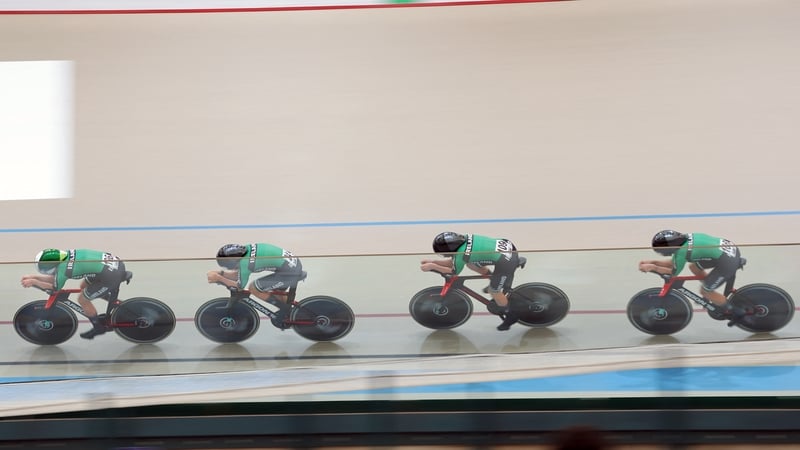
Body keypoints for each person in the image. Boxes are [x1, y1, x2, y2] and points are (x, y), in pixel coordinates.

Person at [639, 230, 746, 326]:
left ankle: (736, 312)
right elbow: (673, 263)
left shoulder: (682, 252)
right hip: (728, 251)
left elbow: (672, 272)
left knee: (705, 291)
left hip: (727, 262)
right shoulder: (683, 240)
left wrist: (653, 268)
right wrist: (652, 263)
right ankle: (711, 288)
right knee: (694, 267)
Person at [421, 232, 522, 331]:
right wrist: (433, 262)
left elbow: (453, 271)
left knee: (494, 290)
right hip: (507, 246)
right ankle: (493, 279)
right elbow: (454, 261)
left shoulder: (462, 253)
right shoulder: (464, 238)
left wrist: (432, 266)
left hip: (507, 260)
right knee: (471, 263)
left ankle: (511, 315)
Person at [21, 248, 130, 339]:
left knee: (83, 299)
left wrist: (34, 282)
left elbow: (55, 287)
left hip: (110, 276)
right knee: (83, 287)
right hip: (112, 267)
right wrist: (34, 277)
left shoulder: (64, 269)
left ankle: (98, 327)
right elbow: (56, 278)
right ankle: (114, 301)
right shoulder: (68, 255)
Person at [206, 243, 304, 329]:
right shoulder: (246, 250)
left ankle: (285, 309)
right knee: (278, 294)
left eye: (227, 267)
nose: (230, 268)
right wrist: (220, 273)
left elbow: (239, 287)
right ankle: (290, 312)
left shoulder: (246, 264)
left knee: (254, 288)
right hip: (292, 265)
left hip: (289, 272)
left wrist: (219, 278)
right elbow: (237, 274)